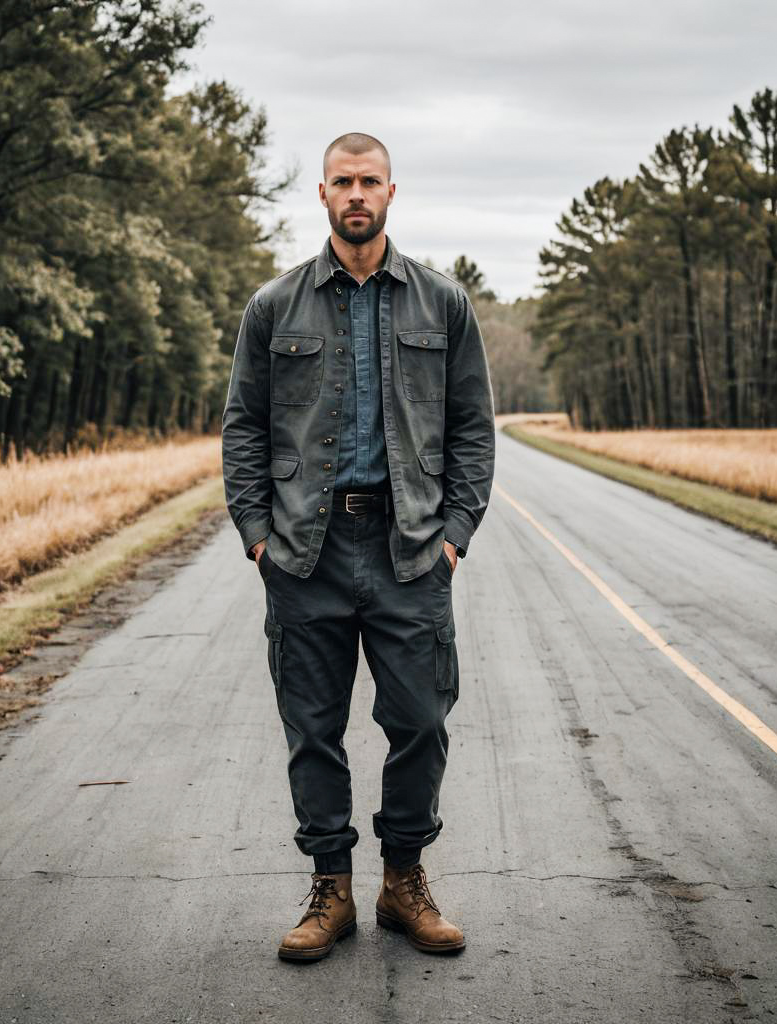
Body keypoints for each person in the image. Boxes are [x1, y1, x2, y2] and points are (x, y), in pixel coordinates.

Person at [221, 132, 495, 962]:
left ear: (390, 191)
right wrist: (258, 538)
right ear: (323, 194)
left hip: (410, 547)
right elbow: (244, 428)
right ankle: (330, 889)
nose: (356, 194)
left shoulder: (442, 303)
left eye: (369, 180)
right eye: (342, 180)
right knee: (313, 727)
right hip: (307, 550)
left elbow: (473, 430)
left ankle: (403, 882)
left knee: (420, 722)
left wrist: (453, 538)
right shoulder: (275, 306)